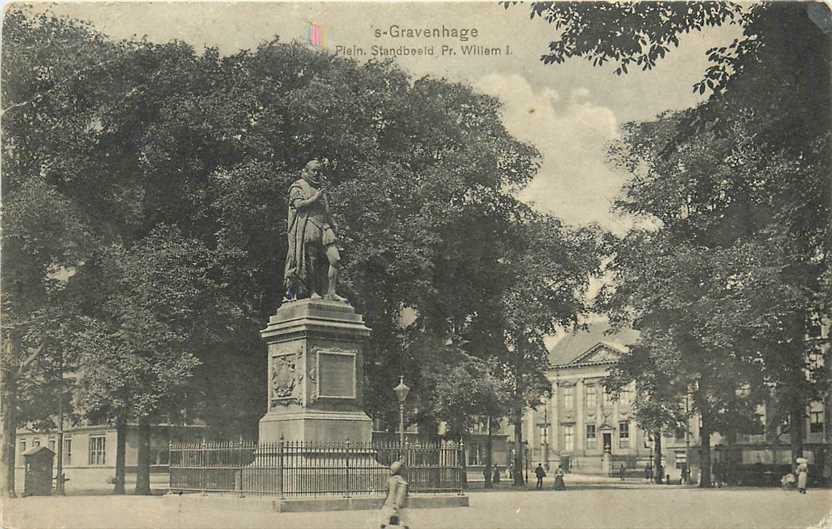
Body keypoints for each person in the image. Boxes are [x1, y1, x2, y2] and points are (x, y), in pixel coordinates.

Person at [284, 159, 347, 302]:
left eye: (319, 171)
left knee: (335, 259)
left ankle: (331, 292)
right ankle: (312, 291)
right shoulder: (297, 186)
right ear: (306, 171)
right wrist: (315, 198)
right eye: (314, 170)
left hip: (324, 226)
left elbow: (326, 210)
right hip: (309, 224)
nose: (317, 174)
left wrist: (333, 224)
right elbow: (299, 205)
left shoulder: (320, 189)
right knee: (311, 261)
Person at [380, 461, 410, 528]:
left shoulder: (390, 479)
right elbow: (404, 488)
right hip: (397, 503)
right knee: (402, 517)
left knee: (386, 516)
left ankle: (384, 524)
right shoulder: (401, 480)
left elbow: (386, 490)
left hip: (389, 502)